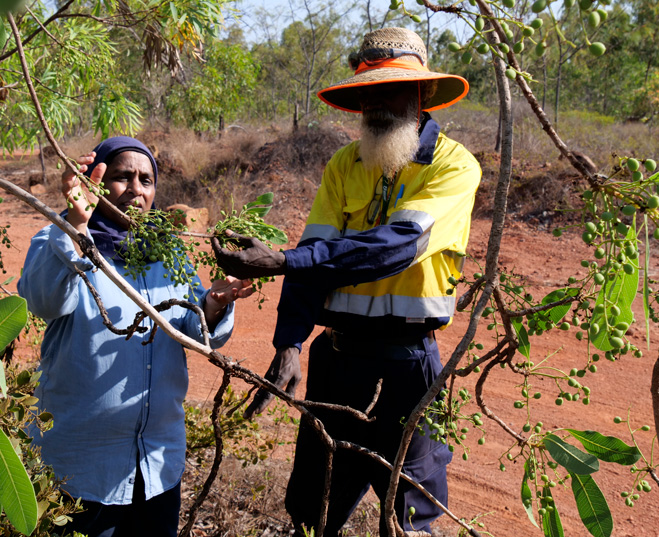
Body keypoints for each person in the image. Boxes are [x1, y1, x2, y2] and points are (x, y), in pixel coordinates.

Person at [213, 27, 481, 537]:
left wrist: (283, 261)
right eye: (367, 92)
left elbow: (399, 244)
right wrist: (290, 341)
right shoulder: (345, 164)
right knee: (313, 508)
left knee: (409, 517)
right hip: (336, 362)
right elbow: (316, 256)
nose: (377, 104)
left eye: (392, 89)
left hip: (408, 366)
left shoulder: (453, 165)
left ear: (421, 93)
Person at [18, 136, 254, 537]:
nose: (136, 190)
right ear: (95, 183)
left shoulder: (170, 254)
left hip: (156, 466)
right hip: (81, 472)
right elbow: (42, 301)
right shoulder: (62, 240)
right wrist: (75, 225)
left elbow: (193, 332)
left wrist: (212, 304)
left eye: (146, 180)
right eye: (122, 177)